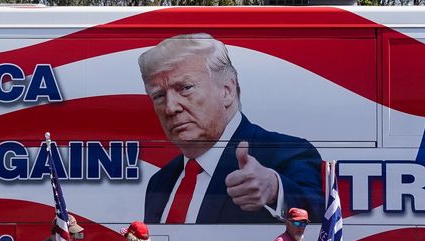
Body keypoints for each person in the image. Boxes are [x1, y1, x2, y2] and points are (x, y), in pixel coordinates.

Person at [138, 33, 324, 224]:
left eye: (185, 88)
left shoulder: (287, 153)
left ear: (227, 91)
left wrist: (275, 189)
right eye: (159, 96)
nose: (170, 108)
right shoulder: (159, 182)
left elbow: (320, 215)